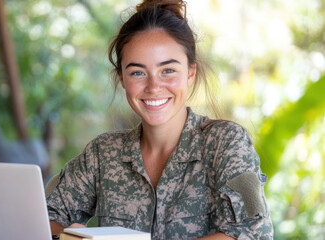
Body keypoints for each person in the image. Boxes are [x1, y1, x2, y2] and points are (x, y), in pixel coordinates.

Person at [47, 0, 274, 239]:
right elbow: (43, 215)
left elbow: (253, 233)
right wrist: (69, 233)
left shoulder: (224, 143)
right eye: (138, 72)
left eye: (168, 70)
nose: (154, 87)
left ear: (190, 73)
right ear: (122, 78)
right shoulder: (102, 154)